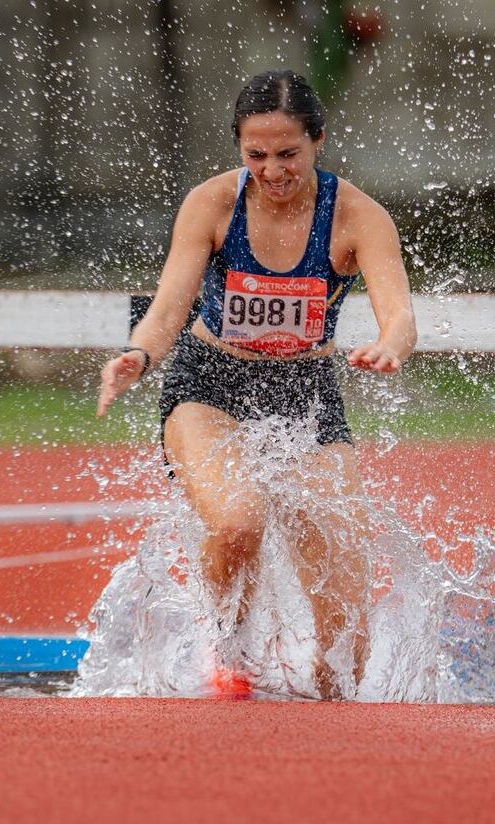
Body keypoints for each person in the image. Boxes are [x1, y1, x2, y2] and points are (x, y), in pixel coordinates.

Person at [97, 70, 417, 699]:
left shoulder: (357, 215)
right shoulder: (212, 204)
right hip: (209, 382)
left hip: (306, 391)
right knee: (239, 520)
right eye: (256, 154)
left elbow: (400, 315)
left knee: (345, 603)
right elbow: (168, 309)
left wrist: (389, 346)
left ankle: (333, 707)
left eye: (288, 153)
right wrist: (139, 354)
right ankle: (227, 643)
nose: (273, 170)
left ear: (318, 140)